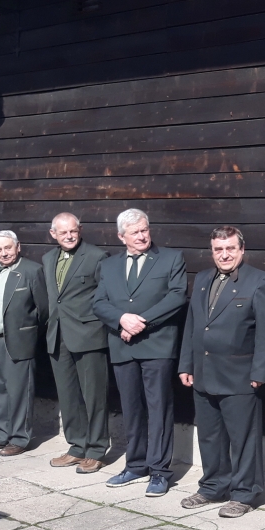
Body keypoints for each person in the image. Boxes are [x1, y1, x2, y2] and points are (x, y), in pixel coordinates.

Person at [178, 226, 265, 517]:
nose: (224, 255)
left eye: (230, 248)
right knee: (209, 436)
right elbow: (193, 325)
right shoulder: (202, 279)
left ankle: (245, 493)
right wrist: (186, 364)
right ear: (212, 251)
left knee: (243, 439)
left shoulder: (259, 281)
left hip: (240, 375)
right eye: (218, 249)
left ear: (241, 250)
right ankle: (213, 486)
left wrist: (260, 372)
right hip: (203, 371)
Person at [93, 209, 186, 497]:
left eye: (145, 230)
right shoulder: (109, 265)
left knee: (158, 409)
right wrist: (121, 319)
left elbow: (177, 296)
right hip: (123, 347)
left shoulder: (171, 258)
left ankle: (159, 471)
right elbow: (99, 303)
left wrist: (139, 322)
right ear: (121, 237)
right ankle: (135, 464)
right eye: (135, 232)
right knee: (131, 408)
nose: (142, 236)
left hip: (157, 345)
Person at [43, 213, 110, 474]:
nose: (69, 236)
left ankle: (96, 450)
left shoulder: (96, 256)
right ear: (53, 234)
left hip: (88, 335)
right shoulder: (48, 259)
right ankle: (77, 446)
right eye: (63, 232)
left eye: (73, 231)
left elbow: (105, 296)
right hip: (57, 335)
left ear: (80, 230)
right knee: (68, 395)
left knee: (94, 396)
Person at [0, 230, 48, 456]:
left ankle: (19, 438)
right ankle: (0, 434)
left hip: (17, 341)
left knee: (18, 392)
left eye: (8, 248)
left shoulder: (31, 270)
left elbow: (43, 310)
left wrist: (28, 333)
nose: (4, 253)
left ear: (18, 247)